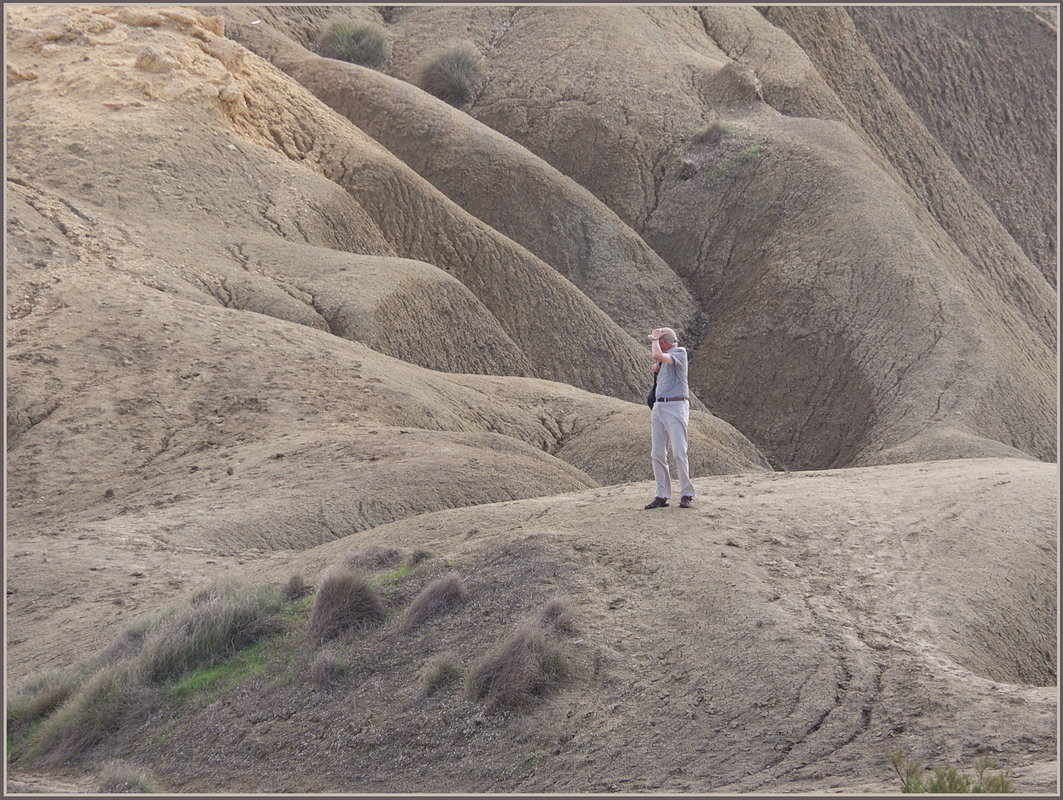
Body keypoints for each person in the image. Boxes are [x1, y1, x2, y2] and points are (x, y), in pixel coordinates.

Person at [644, 327, 695, 509]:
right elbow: (659, 361)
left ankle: (687, 493)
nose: (655, 343)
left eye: (658, 340)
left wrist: (655, 341)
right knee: (657, 453)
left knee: (679, 452)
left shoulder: (679, 352)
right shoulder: (667, 360)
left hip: (675, 406)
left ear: (664, 341)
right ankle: (662, 494)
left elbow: (657, 356)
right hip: (660, 406)